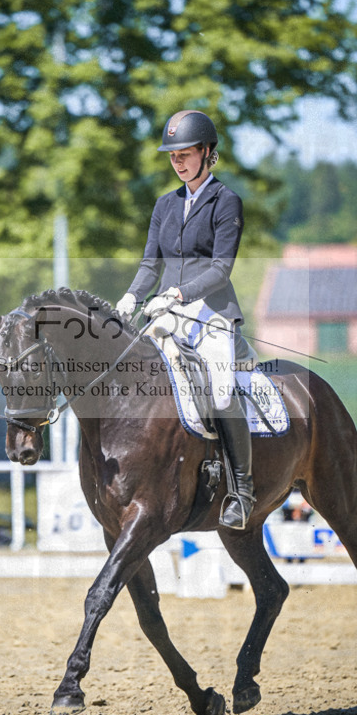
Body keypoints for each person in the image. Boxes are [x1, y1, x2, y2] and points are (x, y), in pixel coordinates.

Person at [115, 109, 254, 529]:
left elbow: (219, 270)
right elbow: (148, 265)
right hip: (164, 312)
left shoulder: (226, 201)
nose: (177, 162)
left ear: (207, 153)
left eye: (186, 153)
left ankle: (243, 490)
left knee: (222, 387)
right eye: (172, 155)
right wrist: (130, 297)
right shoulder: (164, 205)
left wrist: (177, 294)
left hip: (210, 311)